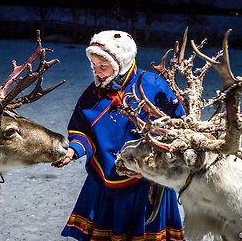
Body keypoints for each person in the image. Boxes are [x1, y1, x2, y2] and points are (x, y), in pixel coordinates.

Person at [53, 30, 185, 241]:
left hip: (147, 180)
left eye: (103, 66)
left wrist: (157, 166)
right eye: (94, 65)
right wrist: (73, 150)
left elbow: (177, 129)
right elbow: (83, 131)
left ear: (121, 62)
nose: (97, 72)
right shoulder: (93, 94)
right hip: (106, 179)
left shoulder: (152, 86)